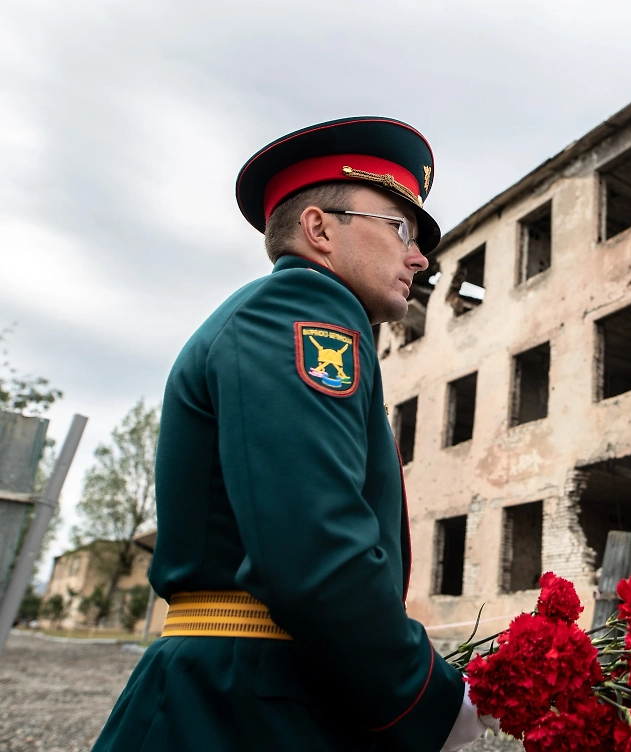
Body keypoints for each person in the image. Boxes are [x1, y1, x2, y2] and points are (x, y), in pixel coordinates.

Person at [93, 117, 494, 752]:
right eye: (400, 229)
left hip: (247, 689)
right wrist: (422, 695)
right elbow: (315, 548)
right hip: (246, 704)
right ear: (319, 229)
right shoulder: (305, 310)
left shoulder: (285, 317)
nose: (419, 256)